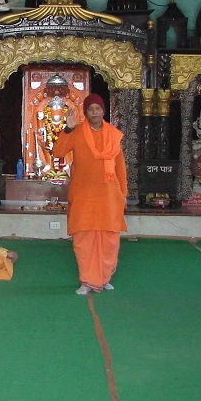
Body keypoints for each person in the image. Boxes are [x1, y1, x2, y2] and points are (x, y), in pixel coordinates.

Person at [51, 93, 127, 295]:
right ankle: (87, 281)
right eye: (91, 109)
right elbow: (57, 152)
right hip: (84, 195)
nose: (95, 112)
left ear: (103, 111)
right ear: (86, 112)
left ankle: (103, 278)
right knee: (84, 239)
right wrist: (67, 128)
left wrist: (123, 194)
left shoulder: (114, 135)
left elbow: (120, 168)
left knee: (109, 240)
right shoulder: (77, 133)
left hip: (109, 196)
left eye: (98, 108)